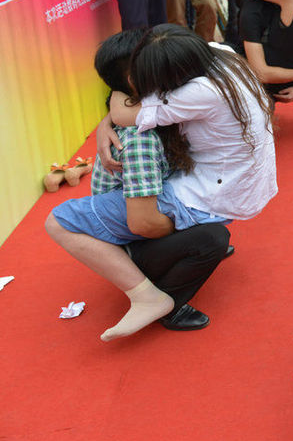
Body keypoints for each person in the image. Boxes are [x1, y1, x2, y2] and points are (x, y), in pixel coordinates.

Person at [47, 25, 276, 341]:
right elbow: (123, 113)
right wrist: (107, 121)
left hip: (214, 193)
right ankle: (182, 248)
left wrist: (109, 118)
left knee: (57, 222)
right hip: (239, 186)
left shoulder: (194, 96)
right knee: (200, 235)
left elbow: (143, 223)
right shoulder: (219, 55)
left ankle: (146, 294)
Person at [70, 29, 233, 331]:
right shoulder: (140, 140)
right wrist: (195, 220)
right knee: (213, 237)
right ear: (137, 78)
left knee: (211, 208)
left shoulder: (151, 107)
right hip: (133, 238)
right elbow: (142, 224)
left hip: (149, 209)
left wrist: (109, 117)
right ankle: (165, 303)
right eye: (156, 61)